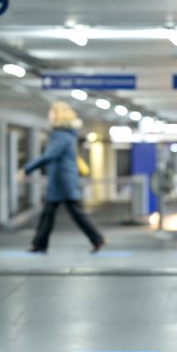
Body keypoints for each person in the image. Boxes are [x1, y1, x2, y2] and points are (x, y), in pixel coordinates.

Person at [24, 101, 105, 254]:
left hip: (63, 181)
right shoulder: (65, 135)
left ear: (58, 115)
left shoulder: (61, 135)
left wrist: (28, 168)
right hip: (61, 180)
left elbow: (50, 155)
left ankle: (97, 239)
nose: (49, 115)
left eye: (51, 112)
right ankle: (39, 244)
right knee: (49, 213)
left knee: (74, 212)